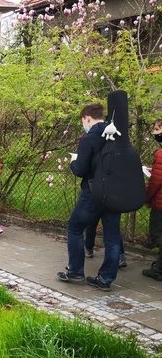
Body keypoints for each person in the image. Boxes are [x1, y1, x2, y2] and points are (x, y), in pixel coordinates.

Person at [57, 103, 121, 291]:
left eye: (83, 121)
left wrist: (73, 162)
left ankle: (76, 271)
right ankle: (105, 278)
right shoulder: (118, 135)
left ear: (87, 118)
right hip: (114, 193)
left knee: (75, 228)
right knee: (112, 236)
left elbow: (81, 170)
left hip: (92, 194)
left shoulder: (89, 139)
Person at [142, 119, 162, 281]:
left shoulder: (160, 154)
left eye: (157, 129)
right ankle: (159, 269)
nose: (154, 133)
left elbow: (155, 182)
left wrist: (146, 197)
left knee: (156, 235)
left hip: (160, 204)